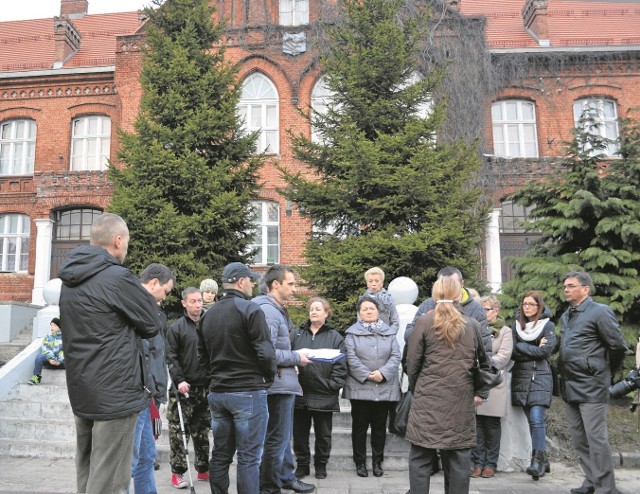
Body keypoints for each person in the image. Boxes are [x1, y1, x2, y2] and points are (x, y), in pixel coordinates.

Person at [57, 212, 164, 494]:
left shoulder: (69, 281)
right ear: (118, 241)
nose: (126, 248)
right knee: (111, 483)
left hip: (83, 390)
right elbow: (153, 323)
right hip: (116, 394)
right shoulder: (117, 277)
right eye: (126, 242)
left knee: (89, 473)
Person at [405, 276, 489, 494]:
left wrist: (418, 388)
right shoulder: (472, 325)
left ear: (435, 294)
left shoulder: (424, 322)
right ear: (458, 294)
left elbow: (412, 362)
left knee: (421, 459)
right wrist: (479, 391)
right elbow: (483, 362)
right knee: (459, 460)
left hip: (428, 399)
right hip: (460, 399)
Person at [197, 262, 276, 494]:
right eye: (250, 280)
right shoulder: (251, 310)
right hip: (247, 391)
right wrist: (268, 376)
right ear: (241, 281)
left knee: (220, 454)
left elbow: (201, 357)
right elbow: (266, 352)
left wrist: (213, 380)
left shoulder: (208, 315)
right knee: (249, 457)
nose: (252, 284)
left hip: (219, 392)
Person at [558, 271, 628, 494]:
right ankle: (591, 481)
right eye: (565, 286)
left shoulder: (600, 312)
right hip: (570, 385)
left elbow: (618, 347)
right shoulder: (566, 315)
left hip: (592, 386)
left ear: (585, 289)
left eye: (571, 286)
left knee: (596, 440)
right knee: (579, 440)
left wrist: (604, 372)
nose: (566, 289)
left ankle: (606, 488)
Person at [254, 264, 316, 494]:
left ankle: (286, 477)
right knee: (276, 440)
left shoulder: (276, 308)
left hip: (282, 382)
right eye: (290, 284)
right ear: (275, 285)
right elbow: (266, 352)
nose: (294, 288)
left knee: (281, 437)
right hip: (276, 384)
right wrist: (296, 358)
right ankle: (269, 487)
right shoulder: (268, 311)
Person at [128, 263, 175, 494]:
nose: (165, 297)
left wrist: (157, 391)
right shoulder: (133, 306)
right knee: (130, 458)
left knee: (147, 455)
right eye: (165, 291)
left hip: (149, 395)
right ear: (154, 283)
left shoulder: (155, 313)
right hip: (136, 393)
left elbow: (158, 354)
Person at [343, 295, 401, 479]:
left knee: (379, 428)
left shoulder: (389, 333)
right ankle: (360, 463)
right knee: (359, 428)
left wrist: (382, 373)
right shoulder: (351, 334)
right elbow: (350, 358)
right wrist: (367, 375)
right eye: (365, 309)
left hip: (383, 387)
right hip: (360, 388)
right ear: (359, 313)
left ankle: (377, 462)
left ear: (378, 312)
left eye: (372, 308)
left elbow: (396, 356)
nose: (368, 311)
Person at [292, 297, 347, 480]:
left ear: (326, 313)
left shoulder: (335, 337)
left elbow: (341, 365)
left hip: (324, 393)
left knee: (324, 434)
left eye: (318, 309)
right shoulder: (297, 334)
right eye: (311, 309)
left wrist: (332, 386)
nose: (314, 312)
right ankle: (302, 465)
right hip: (300, 393)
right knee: (299, 434)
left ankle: (321, 465)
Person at [166, 287, 211, 488]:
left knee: (202, 432)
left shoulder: (210, 323)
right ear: (184, 303)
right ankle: (177, 473)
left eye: (200, 300)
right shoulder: (176, 328)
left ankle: (203, 469)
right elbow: (171, 357)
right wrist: (179, 380)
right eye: (193, 301)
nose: (198, 304)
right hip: (183, 389)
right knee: (178, 433)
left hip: (206, 387)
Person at [510, 290, 556, 481]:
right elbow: (513, 351)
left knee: (537, 419)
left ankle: (536, 461)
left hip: (541, 376)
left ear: (539, 307)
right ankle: (543, 460)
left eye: (531, 304)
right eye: (524, 304)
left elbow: (545, 352)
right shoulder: (516, 327)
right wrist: (533, 347)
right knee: (531, 421)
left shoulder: (548, 325)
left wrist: (524, 347)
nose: (527, 307)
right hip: (521, 377)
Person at [471, 295, 513, 479]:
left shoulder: (505, 331)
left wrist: (482, 363)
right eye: (482, 309)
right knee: (477, 424)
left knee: (492, 425)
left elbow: (503, 356)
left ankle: (491, 463)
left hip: (494, 383)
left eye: (487, 309)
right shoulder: (476, 328)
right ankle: (478, 462)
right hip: (477, 383)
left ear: (496, 311)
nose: (484, 313)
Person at [405, 266, 491, 355]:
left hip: (464, 365)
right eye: (443, 285)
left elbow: (485, 346)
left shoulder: (476, 308)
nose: (448, 289)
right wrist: (426, 322)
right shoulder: (427, 305)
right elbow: (409, 337)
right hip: (431, 364)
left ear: (462, 284)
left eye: (453, 284)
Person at [360, 267, 400, 332]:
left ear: (382, 282)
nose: (373, 284)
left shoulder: (389, 299)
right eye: (370, 281)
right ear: (367, 283)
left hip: (386, 336)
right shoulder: (362, 300)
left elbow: (395, 321)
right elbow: (360, 322)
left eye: (376, 281)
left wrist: (389, 335)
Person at [28, 317, 64, 385]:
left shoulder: (65, 337)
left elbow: (66, 351)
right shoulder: (48, 336)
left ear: (60, 327)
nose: (52, 327)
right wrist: (50, 359)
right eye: (51, 325)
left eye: (54, 325)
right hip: (50, 361)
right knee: (40, 356)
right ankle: (36, 377)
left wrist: (59, 361)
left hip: (62, 363)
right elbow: (45, 348)